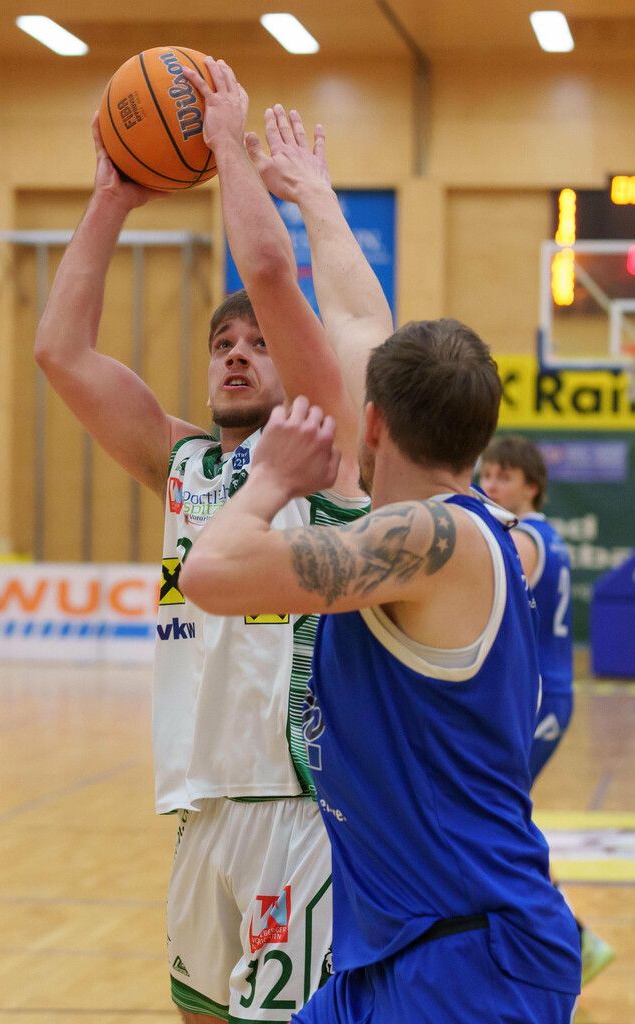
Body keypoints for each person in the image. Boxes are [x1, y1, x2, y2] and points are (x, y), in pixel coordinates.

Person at [34, 58, 392, 1022]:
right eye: (222, 344)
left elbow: (271, 271)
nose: (237, 351)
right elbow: (60, 353)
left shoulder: (326, 450)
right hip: (200, 803)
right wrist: (112, 195)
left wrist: (228, 146)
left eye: (259, 344)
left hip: (299, 806)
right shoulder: (182, 465)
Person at [180, 319, 582, 1023]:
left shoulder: (435, 537)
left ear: (371, 422)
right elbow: (362, 317)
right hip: (386, 956)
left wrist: (271, 478)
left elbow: (209, 571)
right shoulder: (424, 530)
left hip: (469, 962)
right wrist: (307, 201)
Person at [479, 434, 615, 987]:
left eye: (503, 477)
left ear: (532, 486)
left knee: (496, 817)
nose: (490, 485)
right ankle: (564, 939)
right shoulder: (546, 537)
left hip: (536, 698)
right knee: (502, 816)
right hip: (548, 692)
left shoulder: (523, 539)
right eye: (486, 475)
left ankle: (567, 941)